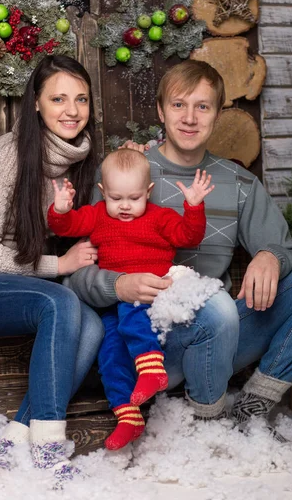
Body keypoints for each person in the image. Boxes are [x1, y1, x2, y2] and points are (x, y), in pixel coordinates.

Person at [69, 60, 292, 439]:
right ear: (161, 111)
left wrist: (271, 255)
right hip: (149, 341)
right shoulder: (126, 173)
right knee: (217, 308)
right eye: (179, 105)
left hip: (224, 333)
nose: (190, 118)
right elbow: (74, 274)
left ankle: (251, 406)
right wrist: (118, 285)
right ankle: (201, 417)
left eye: (203, 106)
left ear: (217, 115)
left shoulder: (239, 182)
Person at [0, 55, 104, 484]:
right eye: (58, 98)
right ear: (36, 103)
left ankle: (16, 436)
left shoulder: (79, 157)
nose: (72, 111)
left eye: (81, 99)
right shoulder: (8, 155)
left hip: (22, 287)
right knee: (60, 302)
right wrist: (59, 264)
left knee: (90, 325)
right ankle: (49, 450)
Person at [48, 148, 214, 449]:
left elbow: (187, 237)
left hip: (153, 294)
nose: (124, 206)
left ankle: (152, 369)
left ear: (148, 192)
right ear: (103, 192)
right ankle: (128, 416)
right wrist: (60, 211)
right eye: (116, 198)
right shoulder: (98, 215)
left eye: (134, 199)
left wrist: (193, 207)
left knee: (131, 314)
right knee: (109, 351)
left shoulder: (160, 217)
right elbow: (68, 226)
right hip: (113, 297)